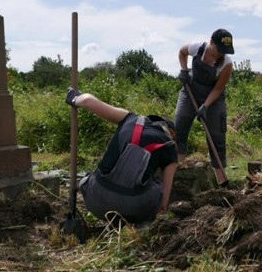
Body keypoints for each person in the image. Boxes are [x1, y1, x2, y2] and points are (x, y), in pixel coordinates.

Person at [65, 88, 178, 225]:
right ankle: (141, 224)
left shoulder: (129, 118)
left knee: (89, 177)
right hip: (136, 212)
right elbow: (163, 203)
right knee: (155, 184)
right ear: (171, 132)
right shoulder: (170, 146)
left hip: (96, 204)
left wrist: (73, 96)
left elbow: (87, 101)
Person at [174, 29, 234, 185]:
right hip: (191, 91)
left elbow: (218, 89)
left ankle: (221, 179)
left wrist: (205, 106)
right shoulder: (197, 48)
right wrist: (184, 70)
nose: (221, 53)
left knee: (216, 135)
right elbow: (182, 52)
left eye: (225, 51)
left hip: (213, 99)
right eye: (219, 49)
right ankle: (177, 172)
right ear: (211, 42)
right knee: (179, 127)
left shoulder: (226, 64)